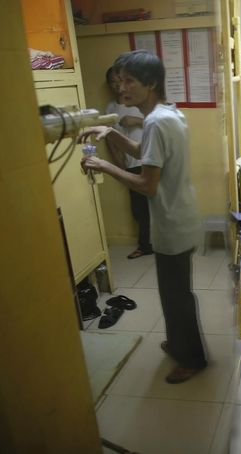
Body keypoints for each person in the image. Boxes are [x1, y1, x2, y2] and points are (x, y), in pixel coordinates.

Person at [80, 50, 206, 384]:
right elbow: (145, 153)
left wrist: (104, 164)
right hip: (180, 216)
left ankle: (192, 358)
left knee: (176, 296)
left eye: (129, 81)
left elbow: (147, 184)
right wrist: (111, 135)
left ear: (149, 83)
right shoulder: (167, 115)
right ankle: (180, 343)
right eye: (119, 81)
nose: (121, 89)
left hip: (172, 223)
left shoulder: (155, 121)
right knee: (173, 293)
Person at [104, 66, 153, 260]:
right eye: (113, 83)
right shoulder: (111, 108)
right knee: (139, 209)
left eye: (121, 81)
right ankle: (146, 246)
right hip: (131, 163)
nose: (118, 86)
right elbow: (109, 137)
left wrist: (137, 120)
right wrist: (118, 163)